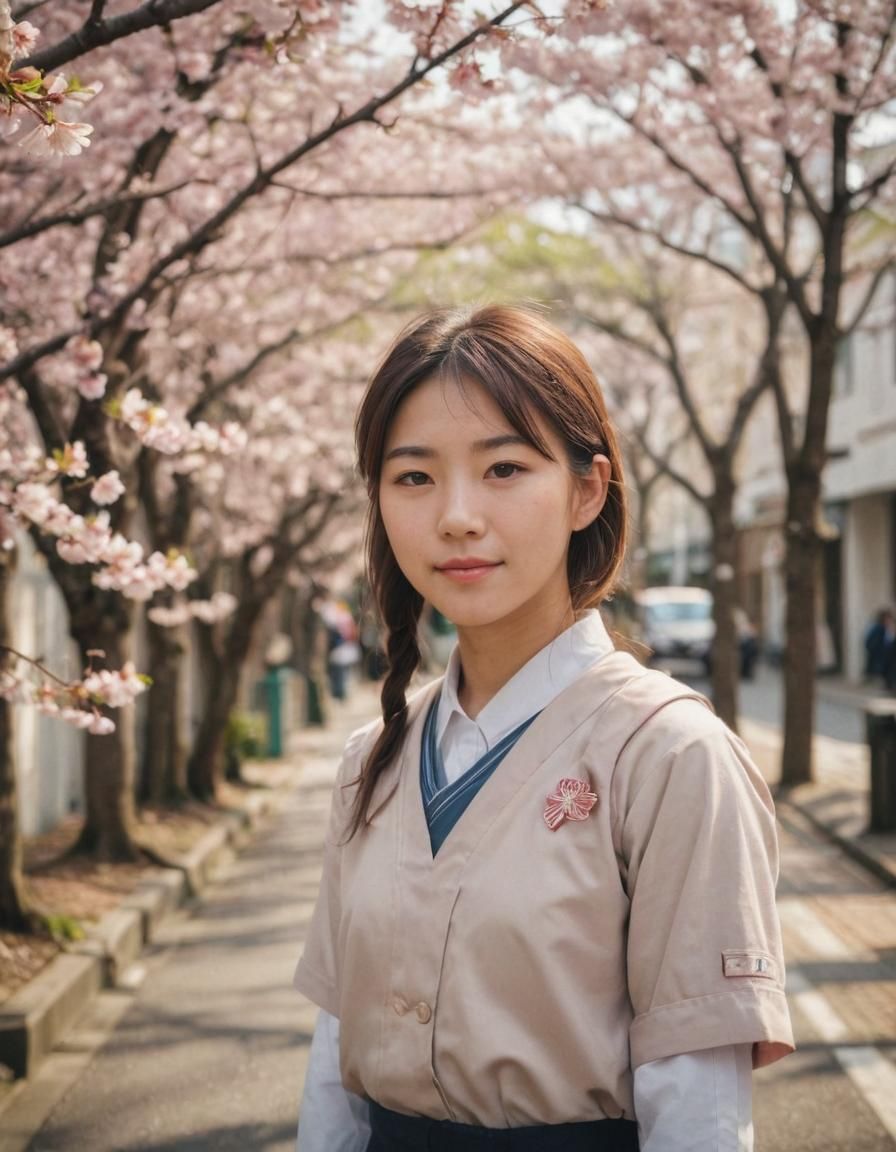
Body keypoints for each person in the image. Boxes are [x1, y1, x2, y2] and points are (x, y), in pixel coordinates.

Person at [293, 305, 794, 1152]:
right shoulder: (369, 761)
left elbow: (699, 1114)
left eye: (504, 469)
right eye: (413, 477)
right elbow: (333, 1068)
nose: (456, 516)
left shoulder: (671, 757)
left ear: (587, 489)